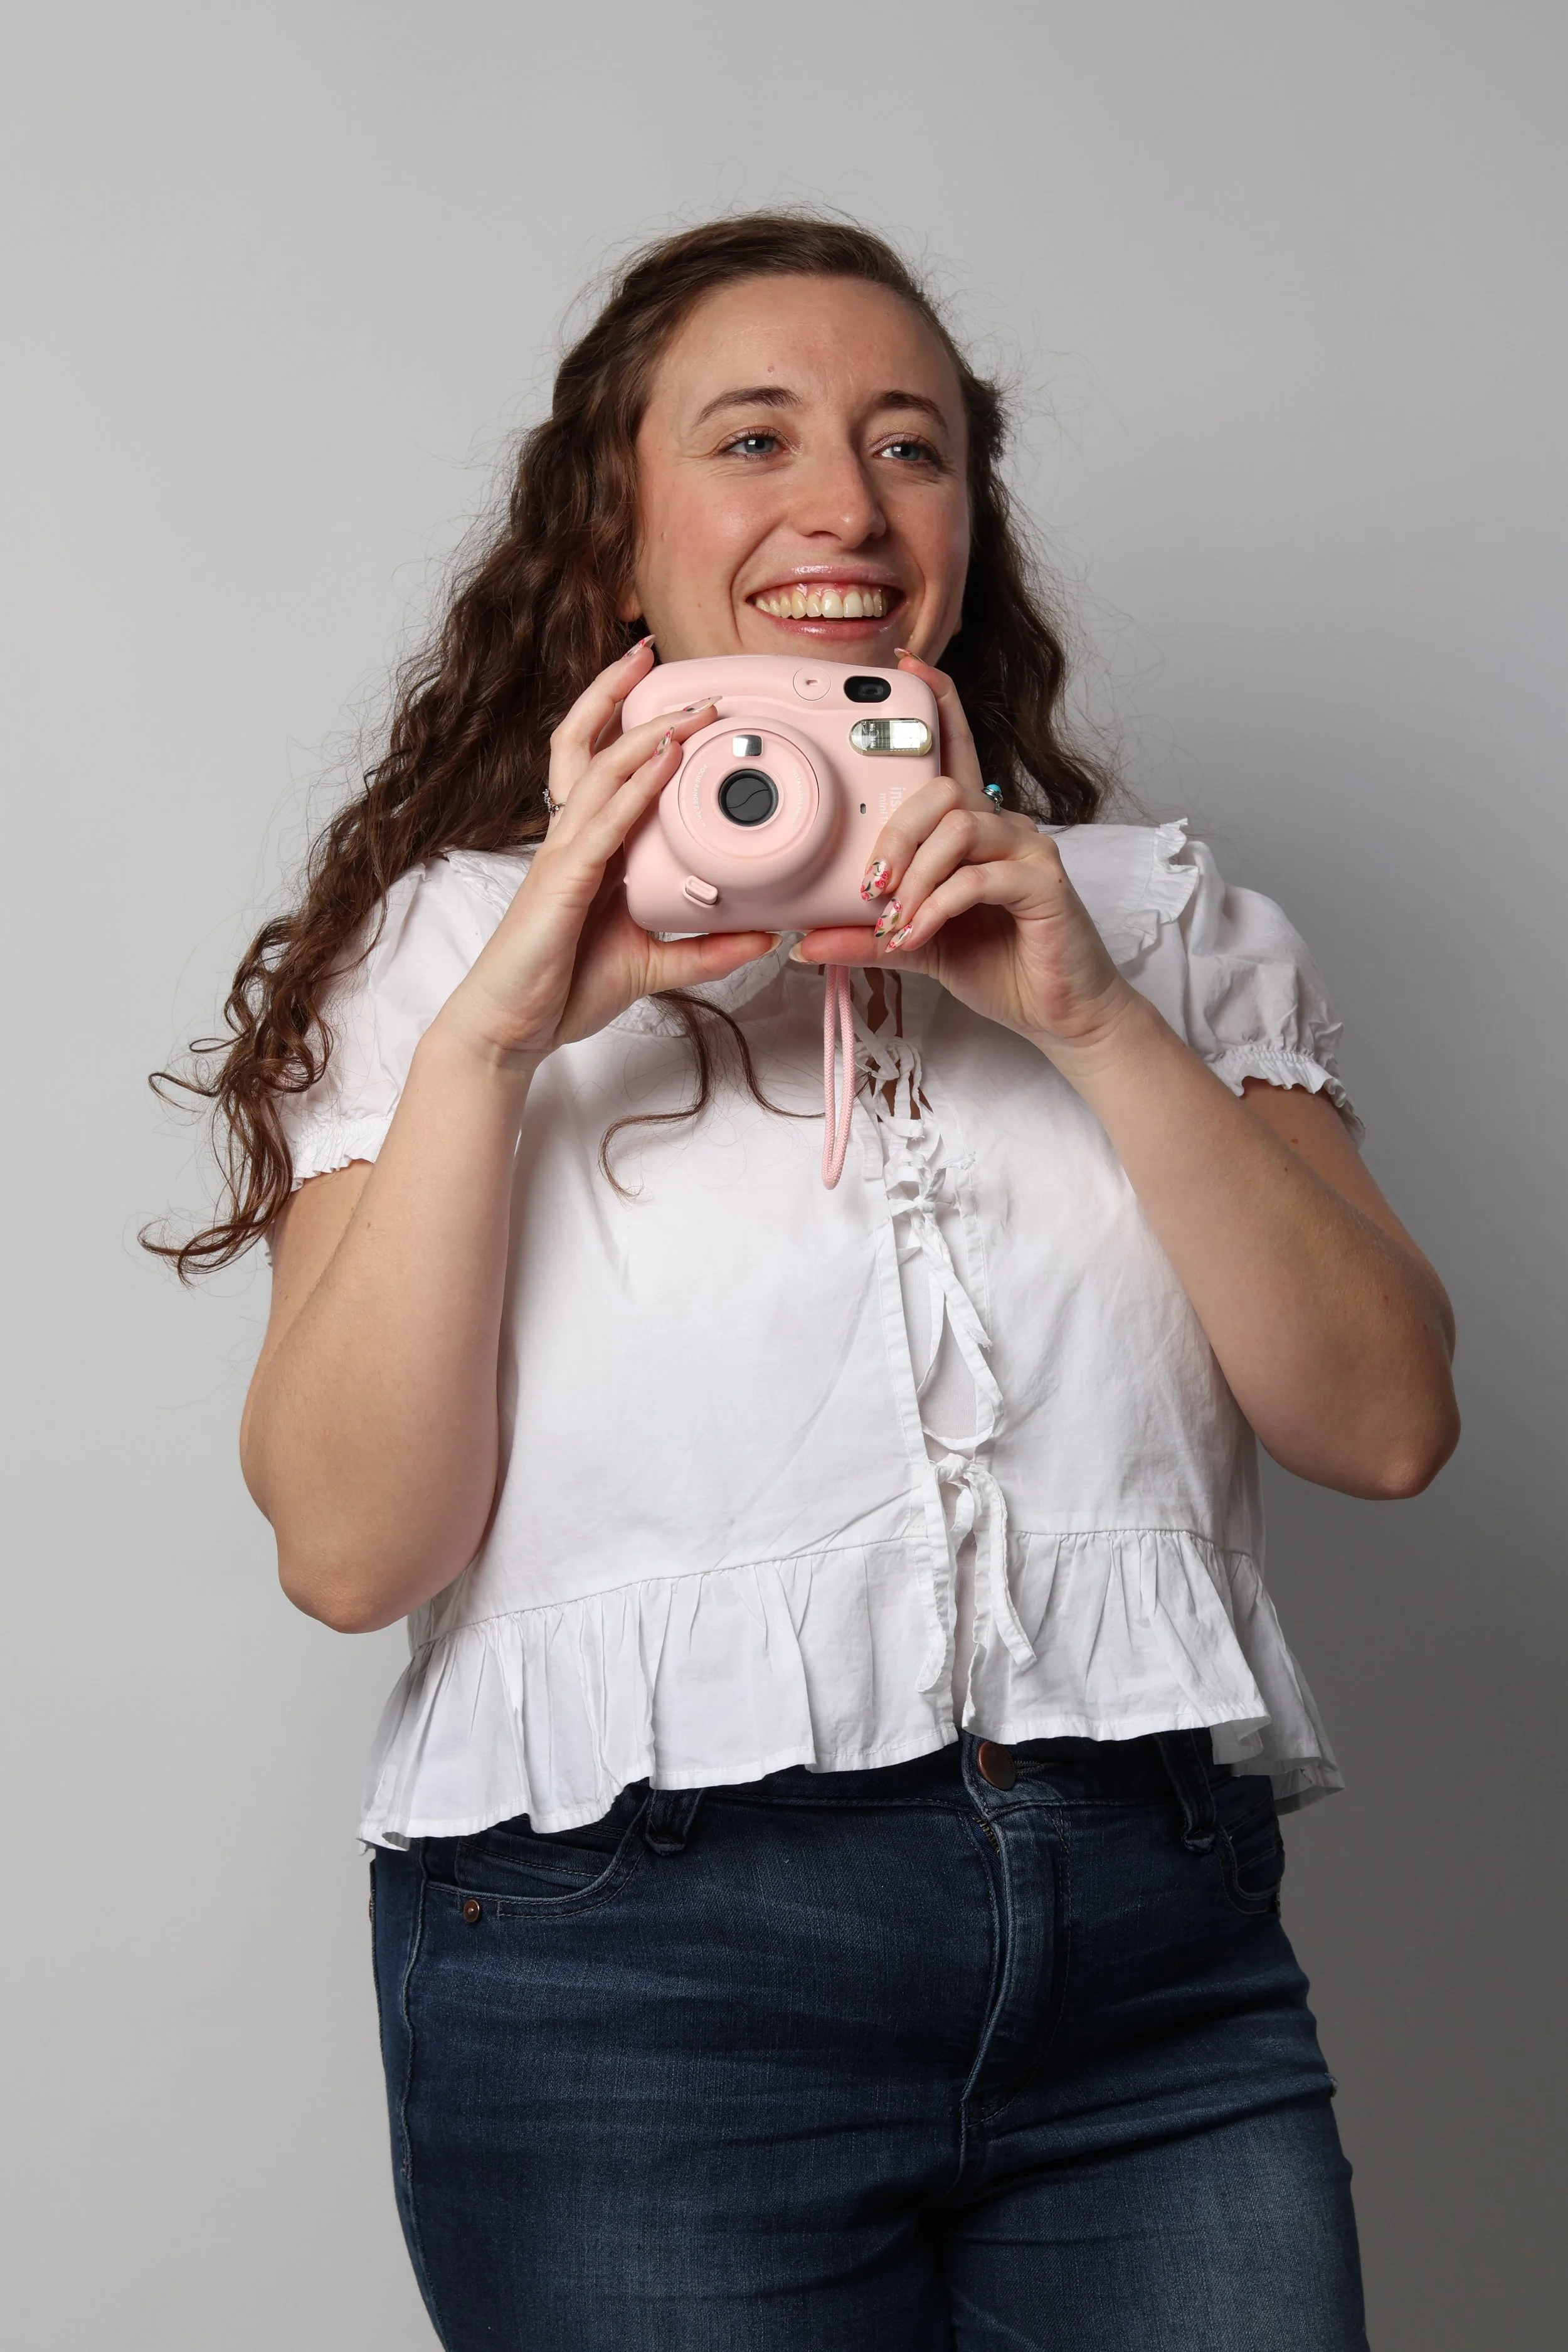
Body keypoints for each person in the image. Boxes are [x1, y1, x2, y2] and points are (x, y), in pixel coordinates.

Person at [158, 213, 1458, 2349]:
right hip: (630, 1988)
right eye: (751, 437)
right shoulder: (444, 958)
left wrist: (1089, 1017)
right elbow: (349, 1544)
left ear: (968, 518)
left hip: (1152, 1975)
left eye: (910, 446)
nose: (843, 504)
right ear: (618, 536)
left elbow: (1388, 1423)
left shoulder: (1161, 919)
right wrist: (509, 1026)